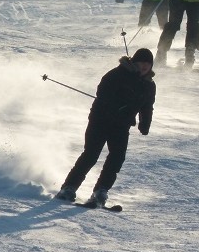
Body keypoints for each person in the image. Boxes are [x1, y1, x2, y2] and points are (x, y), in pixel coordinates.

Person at [54, 48, 156, 208]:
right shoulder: (118, 74)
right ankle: (69, 188)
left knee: (117, 158)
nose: (144, 67)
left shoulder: (149, 85)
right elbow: (102, 90)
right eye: (142, 63)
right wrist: (115, 105)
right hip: (100, 120)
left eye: (148, 64)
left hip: (121, 125)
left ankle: (101, 190)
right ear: (134, 62)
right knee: (91, 155)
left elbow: (147, 106)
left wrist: (145, 124)